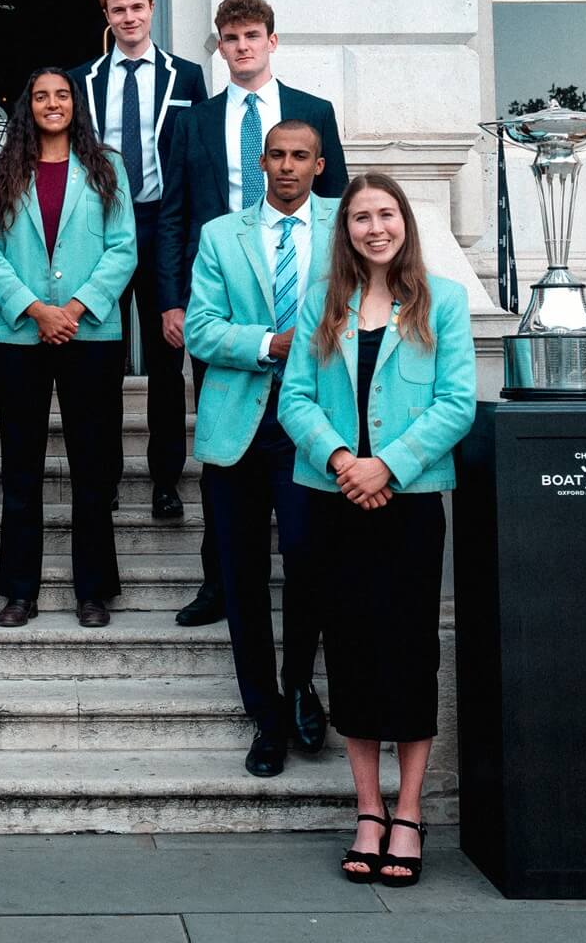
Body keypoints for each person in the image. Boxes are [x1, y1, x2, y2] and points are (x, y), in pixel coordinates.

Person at [277, 173, 473, 889]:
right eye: (361, 217)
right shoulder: (323, 303)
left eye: (385, 214)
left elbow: (455, 405)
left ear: (404, 223)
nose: (374, 227)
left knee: (409, 653)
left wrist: (384, 466)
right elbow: (294, 396)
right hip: (332, 499)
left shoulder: (442, 303)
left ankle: (410, 811)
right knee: (351, 653)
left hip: (410, 502)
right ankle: (367, 809)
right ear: (347, 230)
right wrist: (340, 461)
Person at [156, 0, 348, 628]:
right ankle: (223, 579)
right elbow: (174, 215)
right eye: (230, 38)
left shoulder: (311, 112)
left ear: (271, 40)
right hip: (222, 301)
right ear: (219, 46)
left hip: (307, 310)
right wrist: (173, 300)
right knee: (225, 448)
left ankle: (310, 582)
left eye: (252, 36)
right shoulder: (194, 120)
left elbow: (340, 212)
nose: (241, 47)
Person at [184, 120, 338, 778]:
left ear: (318, 164)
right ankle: (267, 716)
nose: (286, 166)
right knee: (242, 576)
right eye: (275, 155)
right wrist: (268, 344)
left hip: (317, 425)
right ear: (260, 162)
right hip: (240, 425)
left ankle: (300, 680)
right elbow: (200, 329)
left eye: (299, 156)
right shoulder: (222, 234)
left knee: (307, 558)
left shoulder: (348, 227)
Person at [0, 67, 137, 628]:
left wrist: (73, 309)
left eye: (61, 95)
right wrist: (37, 310)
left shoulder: (106, 167)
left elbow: (123, 249)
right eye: (40, 95)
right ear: (27, 108)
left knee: (92, 468)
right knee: (22, 468)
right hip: (19, 335)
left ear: (75, 104)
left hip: (90, 334)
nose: (52, 103)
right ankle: (20, 590)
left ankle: (93, 590)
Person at [68, 0, 208, 527]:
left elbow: (197, 158)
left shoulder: (189, 77)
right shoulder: (82, 80)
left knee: (165, 363)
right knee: (99, 362)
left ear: (152, 9)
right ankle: (101, 479)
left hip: (164, 228)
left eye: (137, 7)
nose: (129, 17)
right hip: (103, 229)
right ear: (106, 17)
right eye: (118, 9)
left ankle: (165, 481)